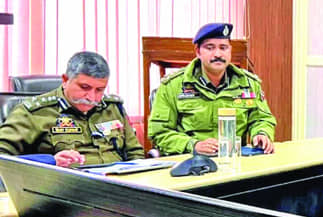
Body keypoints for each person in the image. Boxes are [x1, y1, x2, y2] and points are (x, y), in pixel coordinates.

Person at [148, 23, 277, 155]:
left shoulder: (248, 84)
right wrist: (193, 145)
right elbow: (159, 132)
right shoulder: (172, 86)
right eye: (210, 48)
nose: (218, 54)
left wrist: (262, 133)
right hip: (190, 160)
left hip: (234, 160)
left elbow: (261, 119)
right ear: (198, 52)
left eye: (223, 48)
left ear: (230, 51)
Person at [0, 51, 144, 167]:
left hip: (117, 185)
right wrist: (50, 161)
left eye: (99, 90)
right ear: (65, 80)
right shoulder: (35, 112)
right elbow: (2, 157)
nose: (91, 97)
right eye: (84, 87)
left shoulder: (112, 108)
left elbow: (135, 153)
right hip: (64, 187)